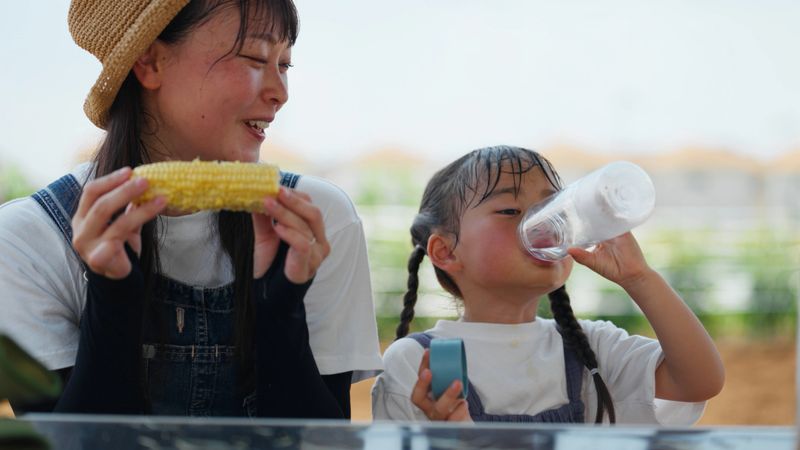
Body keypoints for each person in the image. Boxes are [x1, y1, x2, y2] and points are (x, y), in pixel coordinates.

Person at [0, 0, 382, 418]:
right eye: (255, 57)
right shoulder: (27, 241)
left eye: (285, 64)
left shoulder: (317, 221)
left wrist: (279, 309)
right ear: (150, 62)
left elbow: (320, 445)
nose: (281, 93)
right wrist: (113, 300)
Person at [371, 145, 724, 424]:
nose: (543, 227)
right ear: (445, 251)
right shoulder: (418, 363)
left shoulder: (590, 347)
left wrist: (639, 277)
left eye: (551, 207)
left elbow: (698, 382)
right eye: (510, 211)